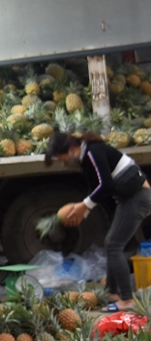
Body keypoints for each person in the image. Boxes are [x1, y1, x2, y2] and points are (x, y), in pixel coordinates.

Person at [45, 131, 151, 312]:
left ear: (71, 150)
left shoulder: (93, 152)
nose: (63, 162)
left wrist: (83, 206)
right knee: (111, 243)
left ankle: (126, 299)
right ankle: (112, 293)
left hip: (137, 197)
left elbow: (106, 185)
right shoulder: (87, 160)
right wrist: (82, 212)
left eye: (62, 158)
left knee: (114, 244)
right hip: (130, 198)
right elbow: (95, 190)